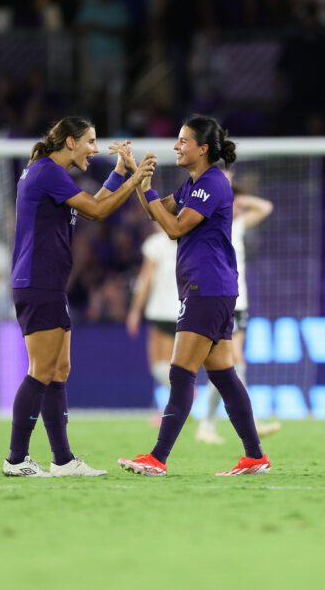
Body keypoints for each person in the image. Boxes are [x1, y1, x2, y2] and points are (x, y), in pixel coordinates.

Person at [2, 117, 156, 478]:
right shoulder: (46, 172)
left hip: (48, 282)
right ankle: (16, 459)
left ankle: (62, 460)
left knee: (59, 370)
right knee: (41, 370)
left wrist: (119, 173)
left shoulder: (48, 173)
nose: (95, 148)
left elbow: (94, 203)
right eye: (90, 141)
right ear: (70, 142)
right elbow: (98, 211)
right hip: (38, 281)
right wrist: (135, 179)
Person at [119, 115, 270, 477]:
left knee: (181, 372)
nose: (176, 146)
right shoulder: (193, 184)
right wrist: (140, 179)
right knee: (224, 375)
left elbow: (172, 228)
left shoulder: (212, 184)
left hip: (206, 288)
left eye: (184, 141)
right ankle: (255, 456)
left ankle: (157, 457)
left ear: (203, 148)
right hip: (211, 289)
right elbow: (157, 211)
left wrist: (147, 186)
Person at [196, 174, 281, 444]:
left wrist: (241, 199)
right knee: (228, 363)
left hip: (239, 303)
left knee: (229, 363)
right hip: (219, 299)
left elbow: (266, 207)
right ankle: (238, 422)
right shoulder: (208, 225)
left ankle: (208, 425)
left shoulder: (239, 224)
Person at [125, 226, 179, 412]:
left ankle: (180, 395)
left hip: (162, 310)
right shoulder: (189, 240)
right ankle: (176, 407)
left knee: (159, 364)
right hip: (185, 310)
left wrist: (134, 311)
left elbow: (145, 279)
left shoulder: (156, 243)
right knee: (176, 363)